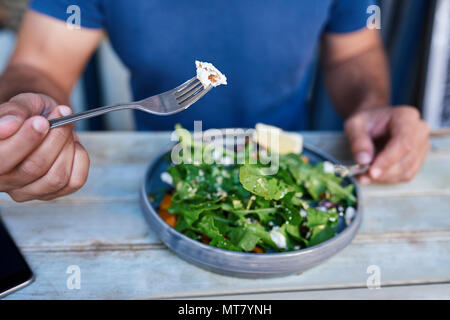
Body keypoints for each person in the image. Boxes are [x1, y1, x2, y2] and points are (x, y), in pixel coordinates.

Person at [0, 0, 430, 202]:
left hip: (285, 170)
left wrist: (371, 105)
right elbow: (41, 66)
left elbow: (355, 52)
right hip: (163, 178)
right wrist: (24, 121)